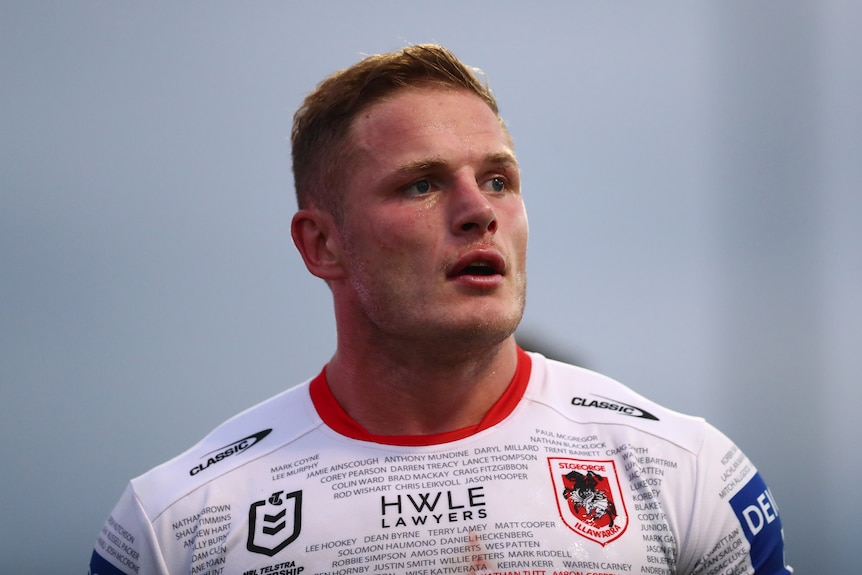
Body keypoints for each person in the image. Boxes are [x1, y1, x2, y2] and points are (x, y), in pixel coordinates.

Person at [88, 44, 792, 575]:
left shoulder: (686, 472)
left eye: (497, 178)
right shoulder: (175, 525)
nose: (478, 211)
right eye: (422, 185)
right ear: (323, 243)